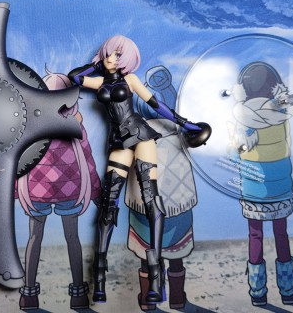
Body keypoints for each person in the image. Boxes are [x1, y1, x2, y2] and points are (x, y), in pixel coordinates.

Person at [68, 35, 210, 304]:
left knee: (150, 200)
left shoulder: (131, 79)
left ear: (127, 59)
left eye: (117, 55)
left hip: (141, 135)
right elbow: (74, 77)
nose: (111, 59)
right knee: (108, 205)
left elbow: (156, 105)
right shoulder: (100, 82)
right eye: (108, 54)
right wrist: (98, 64)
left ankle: (156, 279)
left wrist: (186, 124)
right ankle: (99, 279)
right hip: (119, 141)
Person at [16, 70, 101, 310]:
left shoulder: (32, 126)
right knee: (72, 238)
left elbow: (20, 161)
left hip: (37, 190)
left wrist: (13, 192)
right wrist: (97, 193)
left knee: (35, 237)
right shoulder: (75, 125)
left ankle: (29, 294)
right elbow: (88, 160)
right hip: (69, 189)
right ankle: (78, 294)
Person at [228, 61, 293, 306]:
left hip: (253, 190)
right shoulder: (283, 116)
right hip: (281, 188)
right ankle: (288, 291)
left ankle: (258, 292)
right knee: (281, 234)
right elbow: (287, 148)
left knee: (255, 235)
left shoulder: (243, 119)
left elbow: (234, 154)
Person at [126, 65, 197, 311]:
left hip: (144, 201)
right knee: (176, 253)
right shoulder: (180, 131)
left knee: (147, 251)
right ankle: (177, 298)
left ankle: (149, 299)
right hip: (178, 200)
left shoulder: (136, 132)